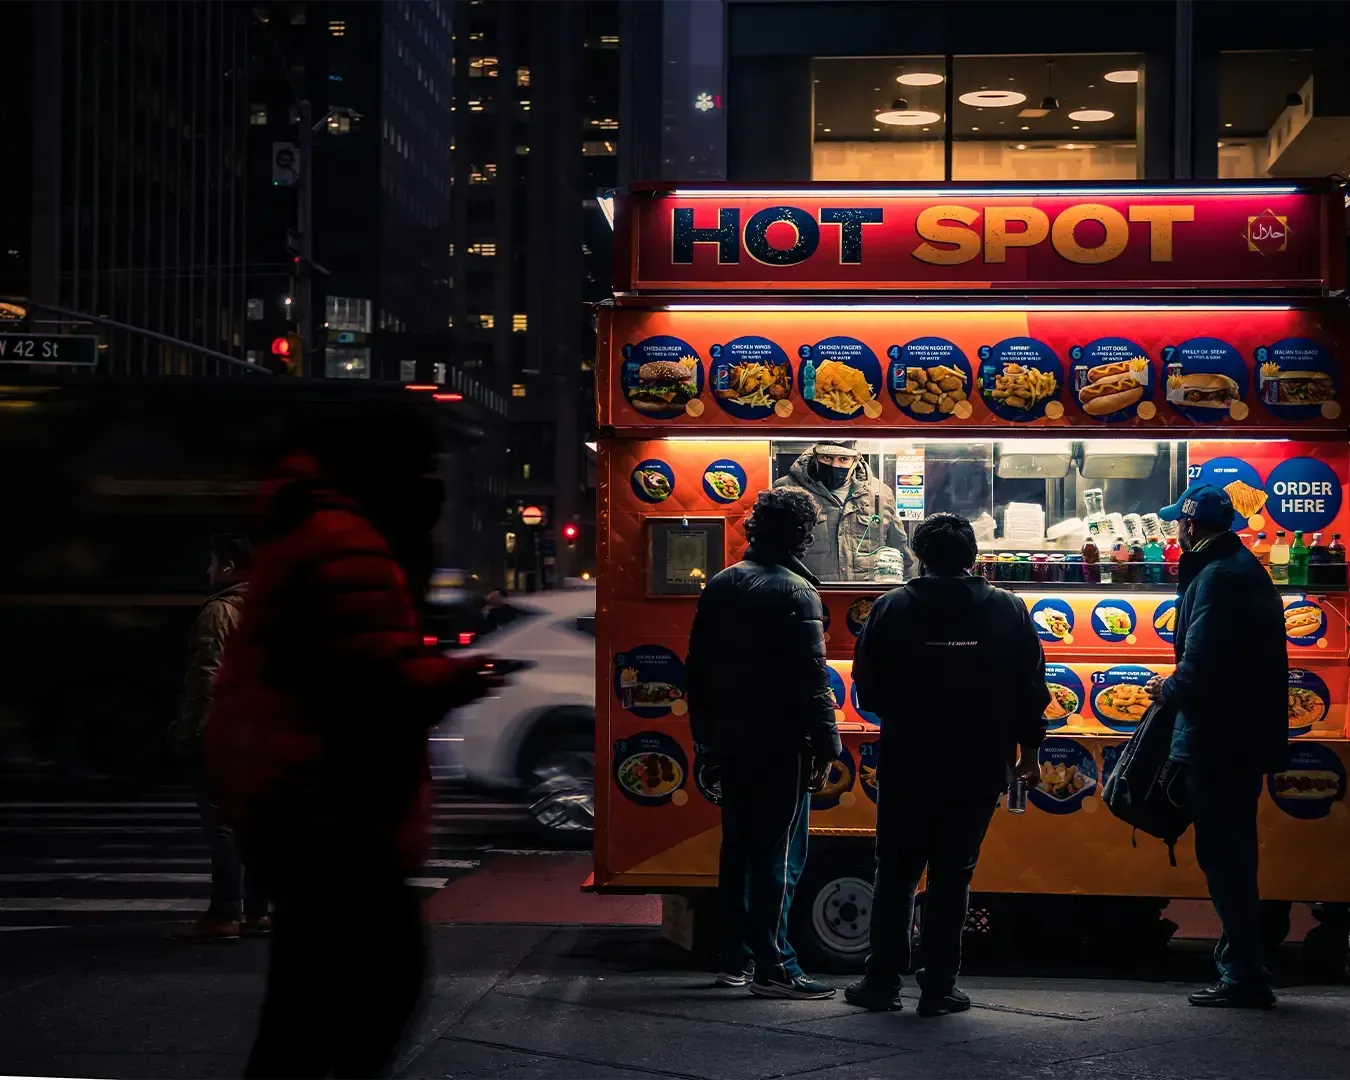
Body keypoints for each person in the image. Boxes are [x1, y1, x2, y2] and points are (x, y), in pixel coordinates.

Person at [204, 406, 500, 1078]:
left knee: (306, 997)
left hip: (295, 795)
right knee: (377, 984)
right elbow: (370, 673)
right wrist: (460, 677)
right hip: (329, 802)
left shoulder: (314, 526)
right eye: (424, 469)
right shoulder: (348, 540)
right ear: (387, 471)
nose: (433, 485)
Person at [846, 513, 1048, 1016]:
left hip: (908, 758)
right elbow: (1031, 688)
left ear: (919, 556)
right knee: (953, 875)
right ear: (973, 557)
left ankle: (882, 983)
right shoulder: (1008, 608)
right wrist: (1030, 752)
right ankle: (939, 988)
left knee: (896, 872)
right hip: (980, 762)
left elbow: (866, 688)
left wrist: (907, 710)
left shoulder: (891, 607)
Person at [685, 488, 842, 1000]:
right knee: (779, 856)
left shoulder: (723, 582)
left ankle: (736, 958)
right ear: (801, 535)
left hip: (732, 738)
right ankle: (776, 967)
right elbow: (812, 680)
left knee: (739, 850)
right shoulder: (797, 592)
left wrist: (705, 739)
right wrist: (828, 744)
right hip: (781, 741)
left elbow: (697, 669)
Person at [1145, 484, 1287, 1009]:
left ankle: (1244, 974)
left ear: (1190, 525)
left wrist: (1166, 689)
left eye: (1177, 523)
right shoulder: (1236, 567)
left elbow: (1204, 665)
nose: (1175, 531)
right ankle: (1243, 965)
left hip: (1221, 738)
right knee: (1231, 854)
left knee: (1226, 858)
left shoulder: (1220, 578)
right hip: (1239, 733)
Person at [167, 534, 268, 943]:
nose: (208, 570)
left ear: (228, 566)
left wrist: (190, 730)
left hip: (224, 731)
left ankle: (225, 913)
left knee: (223, 824)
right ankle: (258, 913)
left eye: (212, 563)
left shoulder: (219, 610)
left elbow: (206, 675)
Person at [773, 443, 916, 583]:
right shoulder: (787, 489)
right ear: (815, 455)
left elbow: (901, 552)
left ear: (856, 459)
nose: (835, 465)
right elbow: (772, 551)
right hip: (808, 593)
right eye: (827, 458)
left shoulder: (880, 493)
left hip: (868, 596)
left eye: (843, 459)